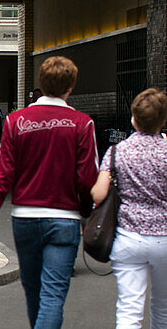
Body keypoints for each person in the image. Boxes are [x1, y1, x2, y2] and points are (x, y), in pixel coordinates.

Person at [0, 56, 99, 329]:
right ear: (70, 87)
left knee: (33, 292)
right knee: (53, 295)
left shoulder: (16, 122)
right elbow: (87, 177)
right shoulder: (82, 124)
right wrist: (86, 214)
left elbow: (2, 174)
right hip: (65, 217)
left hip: (26, 217)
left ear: (41, 84)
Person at [91, 88, 167, 328]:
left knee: (129, 309)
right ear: (163, 120)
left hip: (128, 237)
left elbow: (100, 193)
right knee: (163, 308)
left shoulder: (117, 152)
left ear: (134, 118)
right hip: (164, 238)